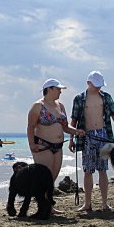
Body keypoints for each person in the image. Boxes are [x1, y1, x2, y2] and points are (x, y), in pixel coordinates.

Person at [69, 71, 114, 212]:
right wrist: (71, 138)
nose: (98, 88)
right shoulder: (79, 98)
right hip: (86, 136)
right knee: (88, 170)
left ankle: (104, 203)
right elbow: (74, 120)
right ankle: (87, 203)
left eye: (100, 85)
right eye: (96, 85)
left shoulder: (106, 97)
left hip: (103, 135)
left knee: (103, 169)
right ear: (88, 83)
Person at [27, 79, 80, 215]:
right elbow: (31, 126)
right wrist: (32, 144)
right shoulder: (37, 106)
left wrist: (76, 131)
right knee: (44, 178)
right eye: (58, 89)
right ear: (49, 89)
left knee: (52, 178)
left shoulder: (60, 106)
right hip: (43, 146)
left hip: (58, 146)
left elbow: (65, 126)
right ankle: (42, 207)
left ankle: (48, 206)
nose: (60, 91)